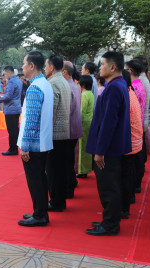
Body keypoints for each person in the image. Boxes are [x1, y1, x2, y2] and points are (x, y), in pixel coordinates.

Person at [85, 51, 131, 236]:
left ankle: (110, 224)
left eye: (102, 65)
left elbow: (108, 122)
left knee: (108, 187)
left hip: (108, 149)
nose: (100, 68)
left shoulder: (113, 88)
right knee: (109, 185)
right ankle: (108, 219)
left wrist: (100, 151)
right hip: (112, 147)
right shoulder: (118, 85)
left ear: (113, 67)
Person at [17, 50, 54, 227]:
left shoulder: (34, 87)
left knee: (36, 180)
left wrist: (25, 146)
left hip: (34, 144)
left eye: (24, 64)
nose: (22, 67)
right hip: (43, 141)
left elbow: (31, 120)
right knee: (40, 178)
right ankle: (39, 211)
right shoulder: (45, 84)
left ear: (32, 66)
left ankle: (40, 215)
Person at [44, 54, 71, 212]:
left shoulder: (53, 83)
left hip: (55, 135)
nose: (45, 69)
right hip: (64, 132)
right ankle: (59, 200)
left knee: (53, 171)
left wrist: (47, 136)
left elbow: (52, 112)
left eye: (46, 66)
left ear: (52, 67)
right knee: (59, 169)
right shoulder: (65, 81)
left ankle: (56, 201)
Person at [121, 69, 143, 219]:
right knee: (127, 175)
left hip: (129, 142)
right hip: (133, 141)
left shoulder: (126, 95)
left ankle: (123, 208)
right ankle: (125, 205)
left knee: (124, 177)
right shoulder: (130, 92)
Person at [62, 61, 83, 198]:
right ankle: (71, 183)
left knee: (66, 161)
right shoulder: (74, 85)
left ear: (65, 72)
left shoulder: (67, 87)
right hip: (74, 127)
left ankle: (68, 188)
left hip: (69, 129)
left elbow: (65, 111)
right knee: (69, 159)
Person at [0, 66, 22, 155]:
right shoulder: (18, 80)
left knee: (12, 130)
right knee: (15, 129)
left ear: (8, 73)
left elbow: (8, 97)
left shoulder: (11, 82)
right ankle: (14, 148)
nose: (4, 76)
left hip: (11, 109)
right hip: (16, 108)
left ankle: (13, 149)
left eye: (5, 74)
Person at [78, 75, 94, 178]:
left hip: (83, 122)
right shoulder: (91, 94)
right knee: (87, 147)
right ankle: (86, 168)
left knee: (82, 147)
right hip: (90, 120)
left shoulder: (83, 95)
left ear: (82, 84)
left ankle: (81, 170)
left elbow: (81, 111)